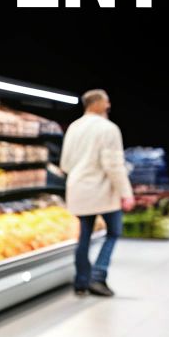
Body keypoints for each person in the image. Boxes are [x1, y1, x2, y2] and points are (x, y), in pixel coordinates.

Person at [58, 89, 134, 296]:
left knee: (84, 236)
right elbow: (113, 165)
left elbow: (65, 163)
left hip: (78, 188)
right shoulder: (108, 128)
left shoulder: (74, 127)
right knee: (114, 232)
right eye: (106, 102)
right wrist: (126, 193)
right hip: (102, 190)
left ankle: (81, 282)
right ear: (98, 103)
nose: (109, 106)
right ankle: (98, 277)